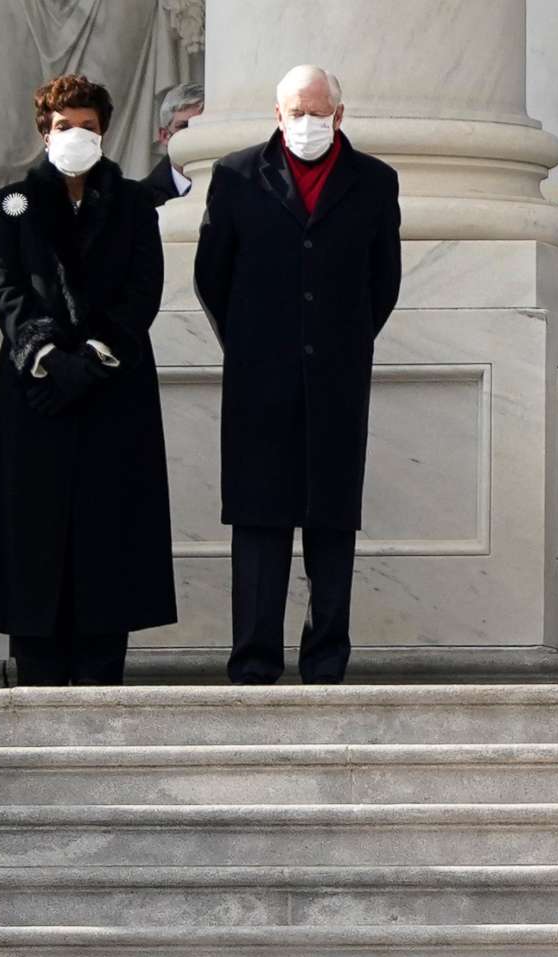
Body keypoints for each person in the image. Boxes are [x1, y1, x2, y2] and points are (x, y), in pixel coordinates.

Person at [0, 75, 173, 686]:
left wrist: (97, 356)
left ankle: (104, 672)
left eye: (86, 126)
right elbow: (6, 288)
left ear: (103, 132)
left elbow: (142, 289)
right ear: (43, 131)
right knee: (34, 531)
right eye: (62, 126)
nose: (74, 136)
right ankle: (39, 672)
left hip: (113, 389)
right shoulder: (13, 203)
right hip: (37, 394)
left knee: (110, 533)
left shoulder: (133, 203)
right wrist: (50, 359)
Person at [193, 63, 402, 685]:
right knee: (259, 519)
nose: (306, 123)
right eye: (296, 112)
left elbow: (382, 282)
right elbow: (213, 274)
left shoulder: (373, 180)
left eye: (318, 111)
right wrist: (254, 344)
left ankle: (326, 658)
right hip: (259, 378)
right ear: (276, 114)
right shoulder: (234, 175)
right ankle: (254, 660)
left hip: (337, 377)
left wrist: (342, 340)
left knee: (332, 520)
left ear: (339, 114)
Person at [144, 80, 203, 204]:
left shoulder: (234, 188)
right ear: (165, 136)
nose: (193, 135)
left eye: (201, 126)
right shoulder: (140, 199)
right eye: (183, 127)